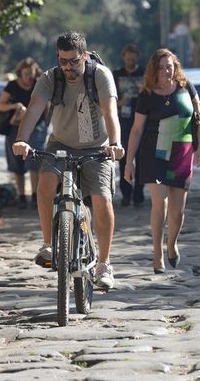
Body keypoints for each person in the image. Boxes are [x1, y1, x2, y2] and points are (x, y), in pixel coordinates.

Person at [12, 31, 124, 290]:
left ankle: (104, 264)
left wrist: (115, 144)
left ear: (84, 56)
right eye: (63, 61)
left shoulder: (100, 75)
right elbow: (34, 109)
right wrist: (22, 140)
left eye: (73, 61)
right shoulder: (51, 78)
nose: (68, 67)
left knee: (102, 199)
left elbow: (110, 112)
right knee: (45, 181)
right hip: (61, 144)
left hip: (98, 147)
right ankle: (48, 245)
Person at [123, 49, 200, 273]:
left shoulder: (186, 87)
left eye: (169, 66)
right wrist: (129, 162)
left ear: (175, 66)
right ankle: (157, 254)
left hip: (182, 153)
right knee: (161, 203)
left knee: (178, 211)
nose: (166, 71)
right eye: (161, 67)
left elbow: (199, 115)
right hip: (155, 155)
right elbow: (136, 130)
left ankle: (172, 243)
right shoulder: (147, 95)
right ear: (154, 70)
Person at [0, 57, 47, 209]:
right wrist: (14, 106)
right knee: (17, 162)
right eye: (25, 74)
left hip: (36, 127)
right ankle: (21, 197)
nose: (28, 78)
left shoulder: (39, 85)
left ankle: (35, 197)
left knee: (34, 161)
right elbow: (1, 105)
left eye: (31, 74)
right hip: (15, 127)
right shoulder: (12, 86)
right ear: (20, 72)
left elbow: (47, 107)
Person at [112, 44, 145, 207]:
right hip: (123, 121)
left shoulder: (144, 73)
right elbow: (109, 98)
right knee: (124, 158)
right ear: (123, 57)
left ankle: (139, 192)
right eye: (128, 58)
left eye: (133, 58)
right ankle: (126, 193)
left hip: (142, 120)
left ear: (137, 58)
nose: (130, 61)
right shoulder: (116, 75)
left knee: (141, 159)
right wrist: (119, 103)